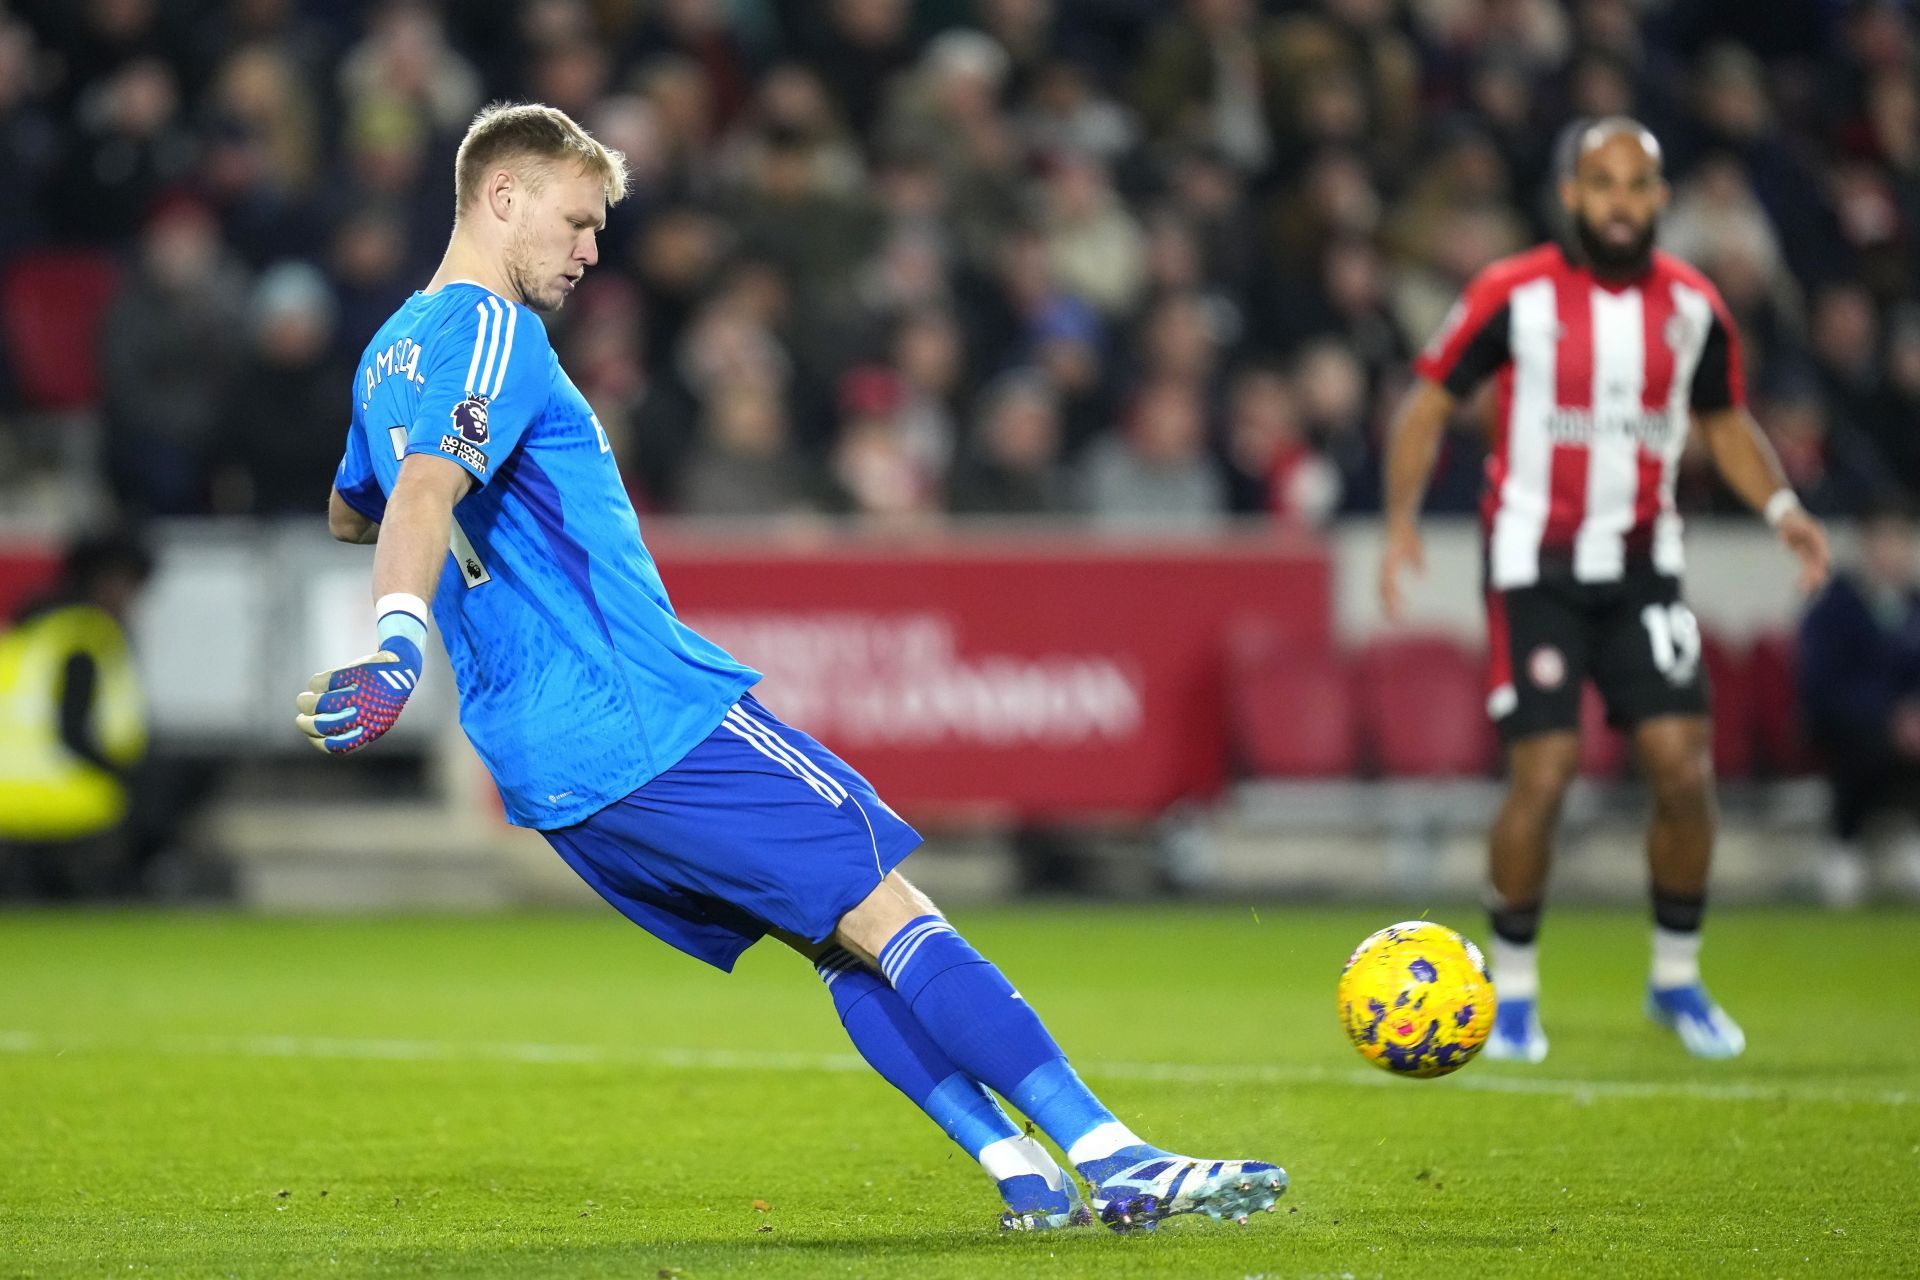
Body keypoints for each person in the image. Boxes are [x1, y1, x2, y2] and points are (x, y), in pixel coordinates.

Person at [297, 101, 1282, 1233]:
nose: (591, 250)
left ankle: (1021, 1171)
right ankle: (1119, 1154)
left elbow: (350, 505)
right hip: (645, 711)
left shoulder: (389, 352)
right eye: (577, 221)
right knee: (887, 901)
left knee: (837, 940)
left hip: (549, 771)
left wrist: (441, 517)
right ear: (501, 198)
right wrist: (396, 648)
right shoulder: (487, 328)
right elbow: (420, 494)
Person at [1377, 117, 1831, 1062]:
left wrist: (1782, 505)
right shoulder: (1513, 292)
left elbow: (1725, 421)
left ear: (1660, 201)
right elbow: (1426, 401)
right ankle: (1512, 998)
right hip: (1531, 566)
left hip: (1641, 568)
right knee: (1542, 774)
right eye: (1603, 183)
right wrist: (1400, 522)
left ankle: (1675, 978)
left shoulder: (1695, 306)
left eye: (1638, 185)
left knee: (1682, 765)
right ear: (1572, 196)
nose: (1621, 202)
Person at [0, 531, 153, 897]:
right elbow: (72, 731)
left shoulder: (27, 632)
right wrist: (125, 776)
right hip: (62, 795)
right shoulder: (85, 637)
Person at [1798, 498, 1920, 907]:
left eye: (1902, 539)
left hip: (1908, 724)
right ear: (1866, 545)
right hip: (1846, 722)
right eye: (1884, 539)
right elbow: (1822, 681)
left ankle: (1910, 843)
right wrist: (1888, 715)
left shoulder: (1914, 606)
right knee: (1867, 747)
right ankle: (1843, 843)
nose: (1894, 550)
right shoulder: (1836, 605)